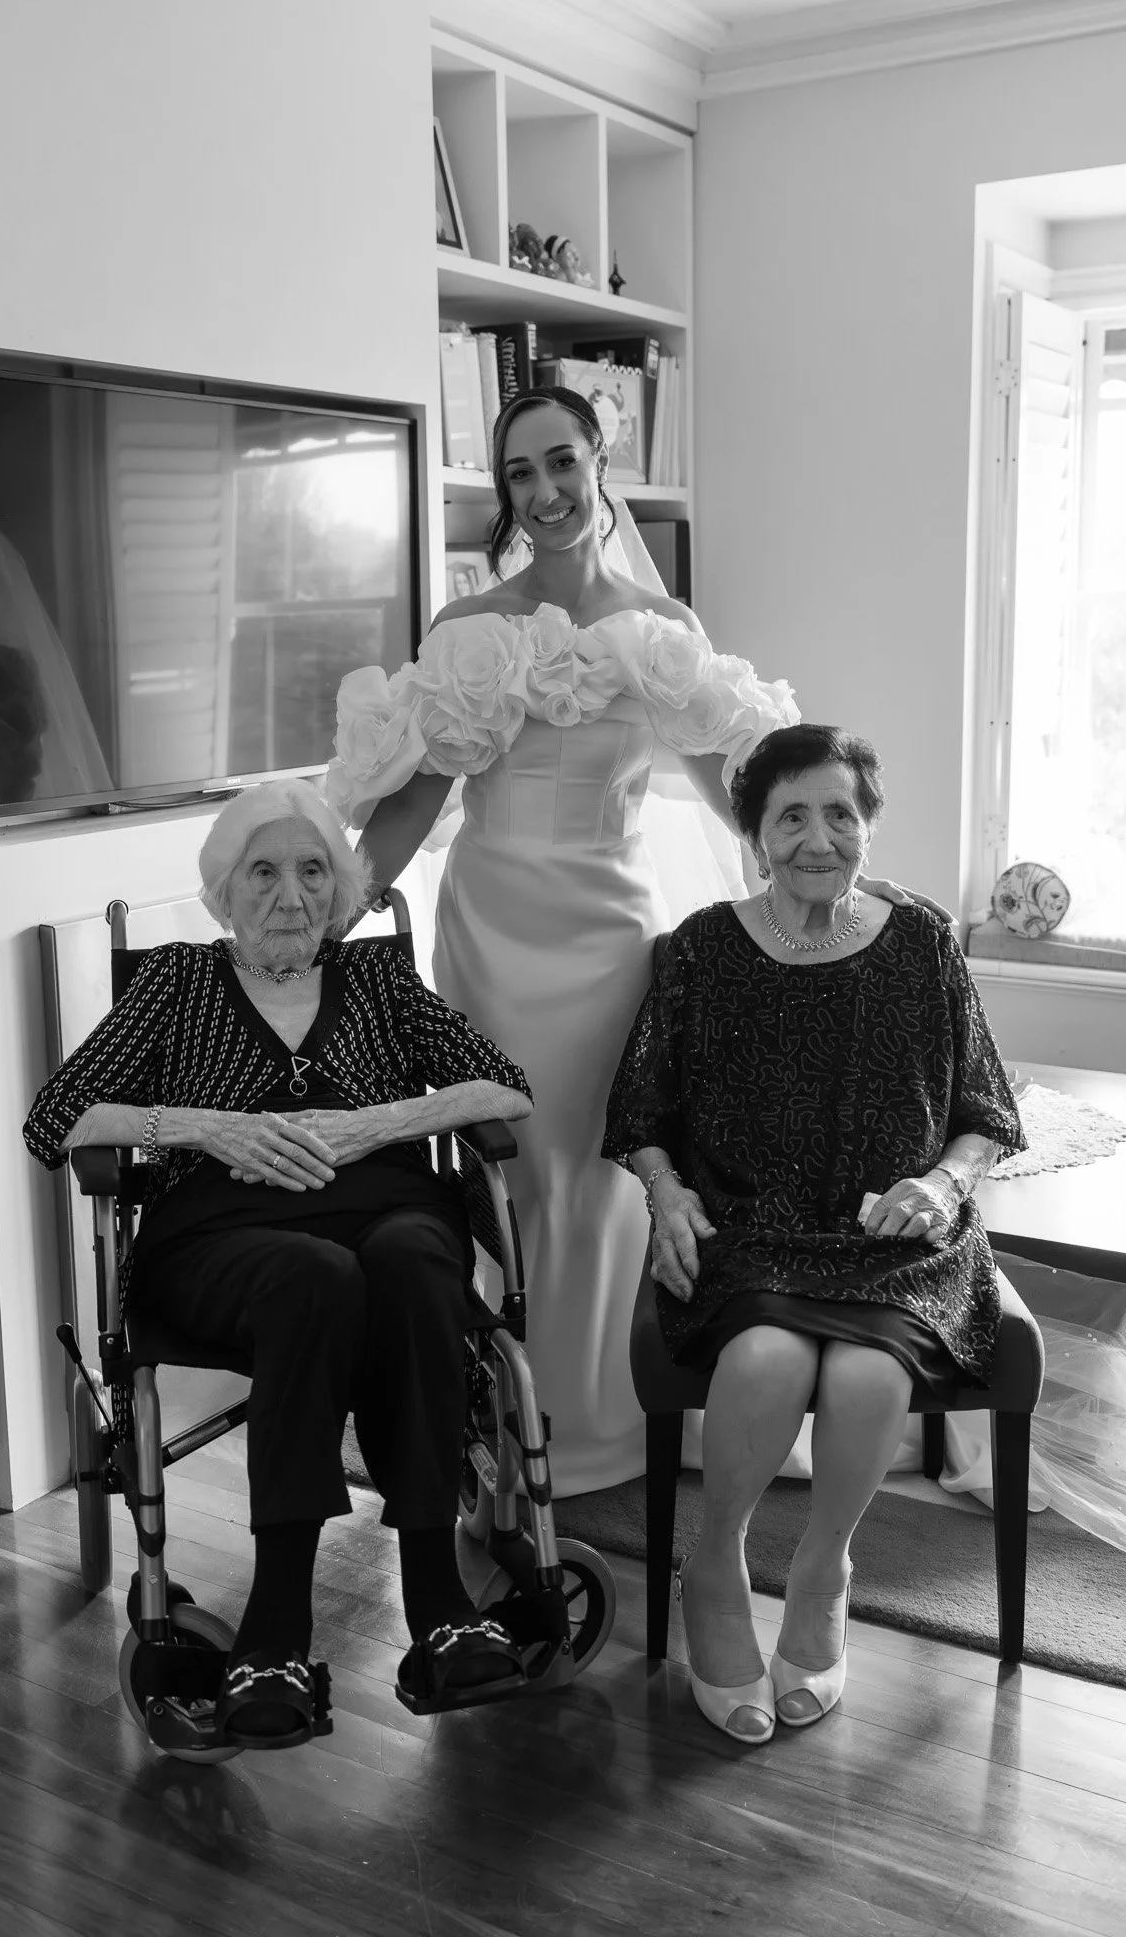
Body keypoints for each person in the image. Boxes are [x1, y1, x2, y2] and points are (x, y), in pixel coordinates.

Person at [326, 386, 802, 1495]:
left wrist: (807, 885)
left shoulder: (663, 630)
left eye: (560, 463)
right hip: (489, 934)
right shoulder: (467, 632)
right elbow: (411, 800)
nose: (543, 493)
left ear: (601, 463)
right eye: (519, 476)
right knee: (508, 1171)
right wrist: (332, 908)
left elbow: (734, 785)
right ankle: (507, 1411)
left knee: (600, 1174)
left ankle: (601, 1419)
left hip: (610, 942)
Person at [23, 779, 533, 1743]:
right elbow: (58, 1117)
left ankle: (439, 1605)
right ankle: (276, 1628)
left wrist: (378, 1122)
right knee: (314, 1276)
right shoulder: (177, 983)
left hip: (385, 1207)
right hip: (222, 1236)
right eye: (263, 872)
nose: (289, 895)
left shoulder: (378, 984)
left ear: (337, 892)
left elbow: (505, 1090)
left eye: (311, 872)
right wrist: (210, 1128)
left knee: (417, 1265)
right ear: (223, 894)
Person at [602, 723, 1026, 1744]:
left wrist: (940, 1181)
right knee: (763, 1357)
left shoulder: (922, 940)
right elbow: (640, 1117)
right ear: (755, 831)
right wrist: (665, 1195)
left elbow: (985, 1112)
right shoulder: (703, 948)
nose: (818, 835)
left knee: (872, 1378)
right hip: (751, 1226)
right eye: (792, 813)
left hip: (900, 1242)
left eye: (841, 811)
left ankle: (824, 1566)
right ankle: (714, 1564)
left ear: (868, 826)